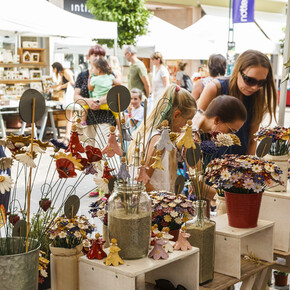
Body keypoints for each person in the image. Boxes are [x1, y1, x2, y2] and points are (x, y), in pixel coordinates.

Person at [197, 49, 278, 155]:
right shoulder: (215, 88)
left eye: (261, 82)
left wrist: (250, 165)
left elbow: (252, 140)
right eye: (250, 80)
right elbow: (195, 127)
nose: (255, 87)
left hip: (238, 162)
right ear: (237, 71)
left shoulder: (258, 96)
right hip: (206, 160)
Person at [127, 84, 197, 192]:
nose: (187, 127)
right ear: (176, 115)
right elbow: (142, 183)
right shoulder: (160, 140)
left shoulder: (160, 135)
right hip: (151, 205)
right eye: (187, 121)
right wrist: (168, 201)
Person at [74, 45, 116, 151]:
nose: (98, 57)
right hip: (87, 118)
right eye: (95, 55)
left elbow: (114, 93)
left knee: (102, 150)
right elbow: (75, 97)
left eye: (101, 55)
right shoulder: (82, 75)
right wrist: (88, 101)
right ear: (88, 57)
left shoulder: (110, 74)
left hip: (105, 116)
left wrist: (98, 101)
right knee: (90, 151)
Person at [80, 58, 120, 124]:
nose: (92, 70)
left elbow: (90, 88)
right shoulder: (110, 76)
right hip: (107, 103)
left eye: (93, 68)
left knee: (85, 107)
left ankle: (83, 122)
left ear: (98, 69)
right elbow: (118, 83)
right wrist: (117, 77)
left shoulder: (94, 79)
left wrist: (89, 79)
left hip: (95, 102)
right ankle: (120, 130)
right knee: (117, 114)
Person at [51, 62, 75, 143]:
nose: (54, 71)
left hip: (71, 96)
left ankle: (67, 136)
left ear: (55, 68)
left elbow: (72, 82)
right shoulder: (62, 73)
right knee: (69, 117)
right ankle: (67, 135)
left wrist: (61, 87)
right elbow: (60, 84)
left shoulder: (66, 72)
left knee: (69, 117)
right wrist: (50, 87)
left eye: (53, 69)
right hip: (68, 96)